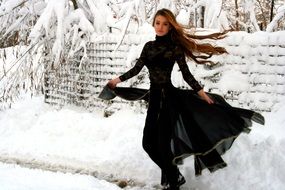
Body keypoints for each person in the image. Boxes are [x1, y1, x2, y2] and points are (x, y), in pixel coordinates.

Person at [104, 8, 264, 190]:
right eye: (158, 23)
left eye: (165, 24)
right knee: (148, 143)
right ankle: (175, 176)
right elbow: (136, 69)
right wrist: (116, 80)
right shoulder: (148, 47)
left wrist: (202, 93)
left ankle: (174, 183)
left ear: (171, 26)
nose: (161, 27)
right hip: (155, 100)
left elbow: (187, 75)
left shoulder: (175, 49)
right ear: (153, 24)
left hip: (170, 101)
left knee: (164, 146)